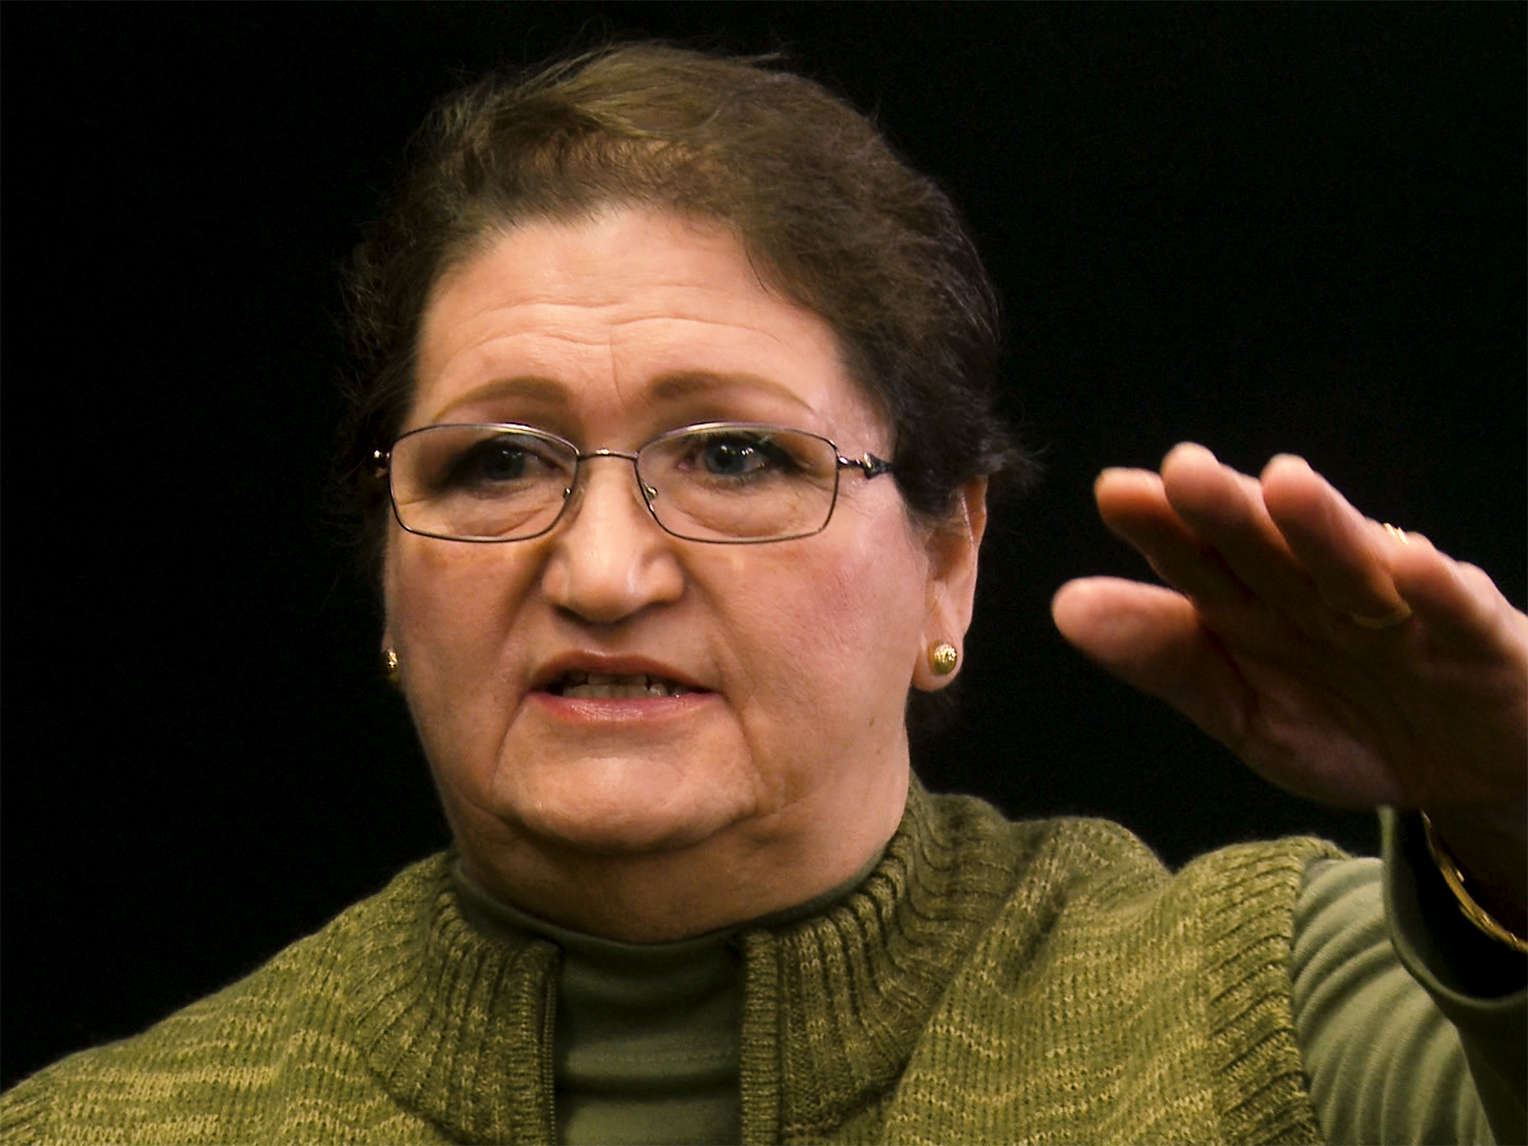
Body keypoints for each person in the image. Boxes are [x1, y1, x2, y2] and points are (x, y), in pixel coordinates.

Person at [3, 42, 1524, 1145]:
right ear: (392, 568)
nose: (604, 573)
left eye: (735, 456)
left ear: (949, 555)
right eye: (497, 463)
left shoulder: (1276, 1018)